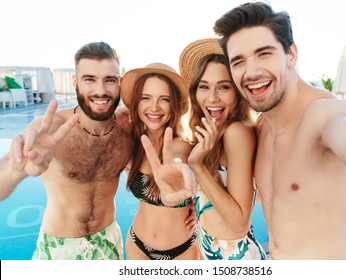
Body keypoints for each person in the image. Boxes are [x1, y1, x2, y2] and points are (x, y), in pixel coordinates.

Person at [212, 2, 346, 259]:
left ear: (291, 54)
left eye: (264, 54)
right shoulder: (262, 129)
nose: (251, 72)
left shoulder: (325, 115)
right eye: (238, 61)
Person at [0, 41, 133, 260]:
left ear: (119, 82)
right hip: (59, 246)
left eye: (109, 80)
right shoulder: (49, 128)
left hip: (108, 240)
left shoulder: (127, 127)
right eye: (90, 79)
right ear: (76, 82)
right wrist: (16, 171)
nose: (100, 90)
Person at [178, 38, 266, 260]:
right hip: (213, 250)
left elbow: (239, 223)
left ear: (238, 91)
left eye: (224, 87)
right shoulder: (215, 132)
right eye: (204, 87)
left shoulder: (237, 132)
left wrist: (196, 165)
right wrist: (200, 206)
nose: (212, 98)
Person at [120, 63, 200, 260]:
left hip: (183, 250)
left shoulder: (186, 148)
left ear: (174, 104)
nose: (154, 107)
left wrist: (199, 208)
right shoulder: (130, 144)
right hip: (138, 245)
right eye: (145, 98)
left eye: (164, 99)